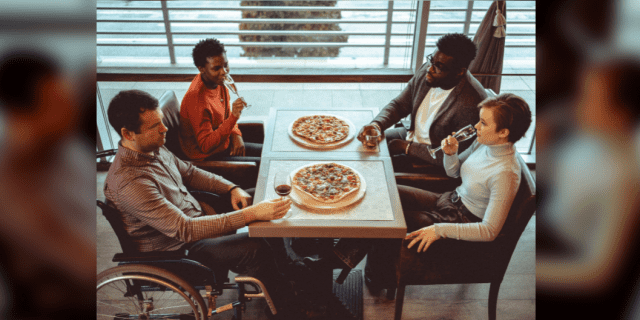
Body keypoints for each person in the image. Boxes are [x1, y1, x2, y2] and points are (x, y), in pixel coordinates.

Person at [103, 90, 317, 319]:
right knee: (256, 247)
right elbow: (185, 229)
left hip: (198, 220)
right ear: (128, 133)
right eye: (155, 126)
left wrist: (231, 188)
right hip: (181, 251)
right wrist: (249, 214)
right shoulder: (130, 183)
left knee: (264, 200)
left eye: (162, 122)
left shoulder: (153, 148)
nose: (164, 129)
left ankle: (288, 269)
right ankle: (284, 308)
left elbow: (191, 173)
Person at [307, 93, 532, 291]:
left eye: (483, 123)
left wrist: (438, 230)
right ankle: (342, 262)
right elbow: (454, 173)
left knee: (385, 219)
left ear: (503, 132)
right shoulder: (485, 143)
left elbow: (490, 230)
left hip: (461, 220)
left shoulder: (506, 174)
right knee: (382, 195)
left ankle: (336, 267)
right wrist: (451, 154)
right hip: (449, 200)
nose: (476, 127)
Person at [356, 33, 488, 172]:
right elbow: (399, 105)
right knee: (361, 145)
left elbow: (454, 156)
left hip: (430, 160)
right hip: (411, 136)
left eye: (439, 66)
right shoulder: (429, 72)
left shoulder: (472, 103)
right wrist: (377, 125)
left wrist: (406, 147)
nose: (429, 69)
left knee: (371, 167)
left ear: (459, 72)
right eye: (431, 60)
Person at [179, 37, 262, 161]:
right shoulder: (196, 99)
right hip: (208, 158)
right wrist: (234, 117)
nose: (224, 72)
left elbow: (226, 116)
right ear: (201, 69)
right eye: (216, 68)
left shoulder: (218, 83)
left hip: (224, 142)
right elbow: (206, 146)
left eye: (226, 65)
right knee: (267, 161)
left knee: (270, 153)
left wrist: (236, 135)